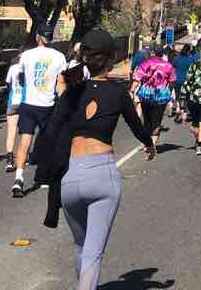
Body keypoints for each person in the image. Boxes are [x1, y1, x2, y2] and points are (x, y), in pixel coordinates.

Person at [38, 28, 155, 290]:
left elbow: (52, 130)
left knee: (81, 247)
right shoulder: (117, 92)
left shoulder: (72, 93)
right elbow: (137, 126)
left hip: (71, 178)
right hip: (102, 175)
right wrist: (149, 145)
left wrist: (62, 94)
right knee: (94, 252)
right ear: (112, 59)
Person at [11, 25, 67, 198]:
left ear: (38, 37)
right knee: (49, 141)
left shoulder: (26, 55)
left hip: (28, 103)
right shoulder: (59, 57)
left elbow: (20, 76)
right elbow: (61, 82)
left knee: (25, 141)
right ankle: (44, 177)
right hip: (48, 104)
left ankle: (18, 178)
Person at [131, 48, 176, 152]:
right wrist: (169, 91)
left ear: (152, 54)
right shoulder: (169, 66)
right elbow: (172, 81)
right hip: (161, 97)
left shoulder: (145, 64)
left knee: (147, 120)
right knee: (157, 120)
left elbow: (137, 79)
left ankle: (147, 143)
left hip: (146, 95)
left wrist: (132, 91)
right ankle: (152, 144)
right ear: (162, 55)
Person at [4, 52, 26, 172]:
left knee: (11, 131)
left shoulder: (12, 68)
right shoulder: (28, 67)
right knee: (26, 132)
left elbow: (8, 83)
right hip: (25, 101)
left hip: (13, 101)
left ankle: (9, 159)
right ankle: (22, 157)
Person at [172, 44, 196, 120]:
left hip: (177, 79)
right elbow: (193, 70)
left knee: (178, 95)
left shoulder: (176, 58)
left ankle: (178, 108)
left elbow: (173, 68)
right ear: (189, 51)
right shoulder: (190, 59)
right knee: (187, 96)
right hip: (186, 80)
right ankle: (185, 112)